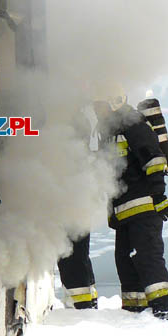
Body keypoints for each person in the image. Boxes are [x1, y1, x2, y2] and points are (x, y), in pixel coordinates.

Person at [94, 92, 168, 318]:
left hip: (143, 207)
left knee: (148, 258)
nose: (96, 112)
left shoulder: (134, 125)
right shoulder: (111, 130)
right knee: (125, 262)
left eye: (99, 106)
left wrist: (159, 197)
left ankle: (165, 307)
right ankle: (135, 311)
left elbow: (154, 159)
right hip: (123, 213)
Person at [57, 105, 98, 309]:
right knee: (79, 253)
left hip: (71, 204)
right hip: (79, 203)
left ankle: (80, 304)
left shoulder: (70, 154)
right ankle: (86, 300)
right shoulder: (82, 153)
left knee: (70, 254)